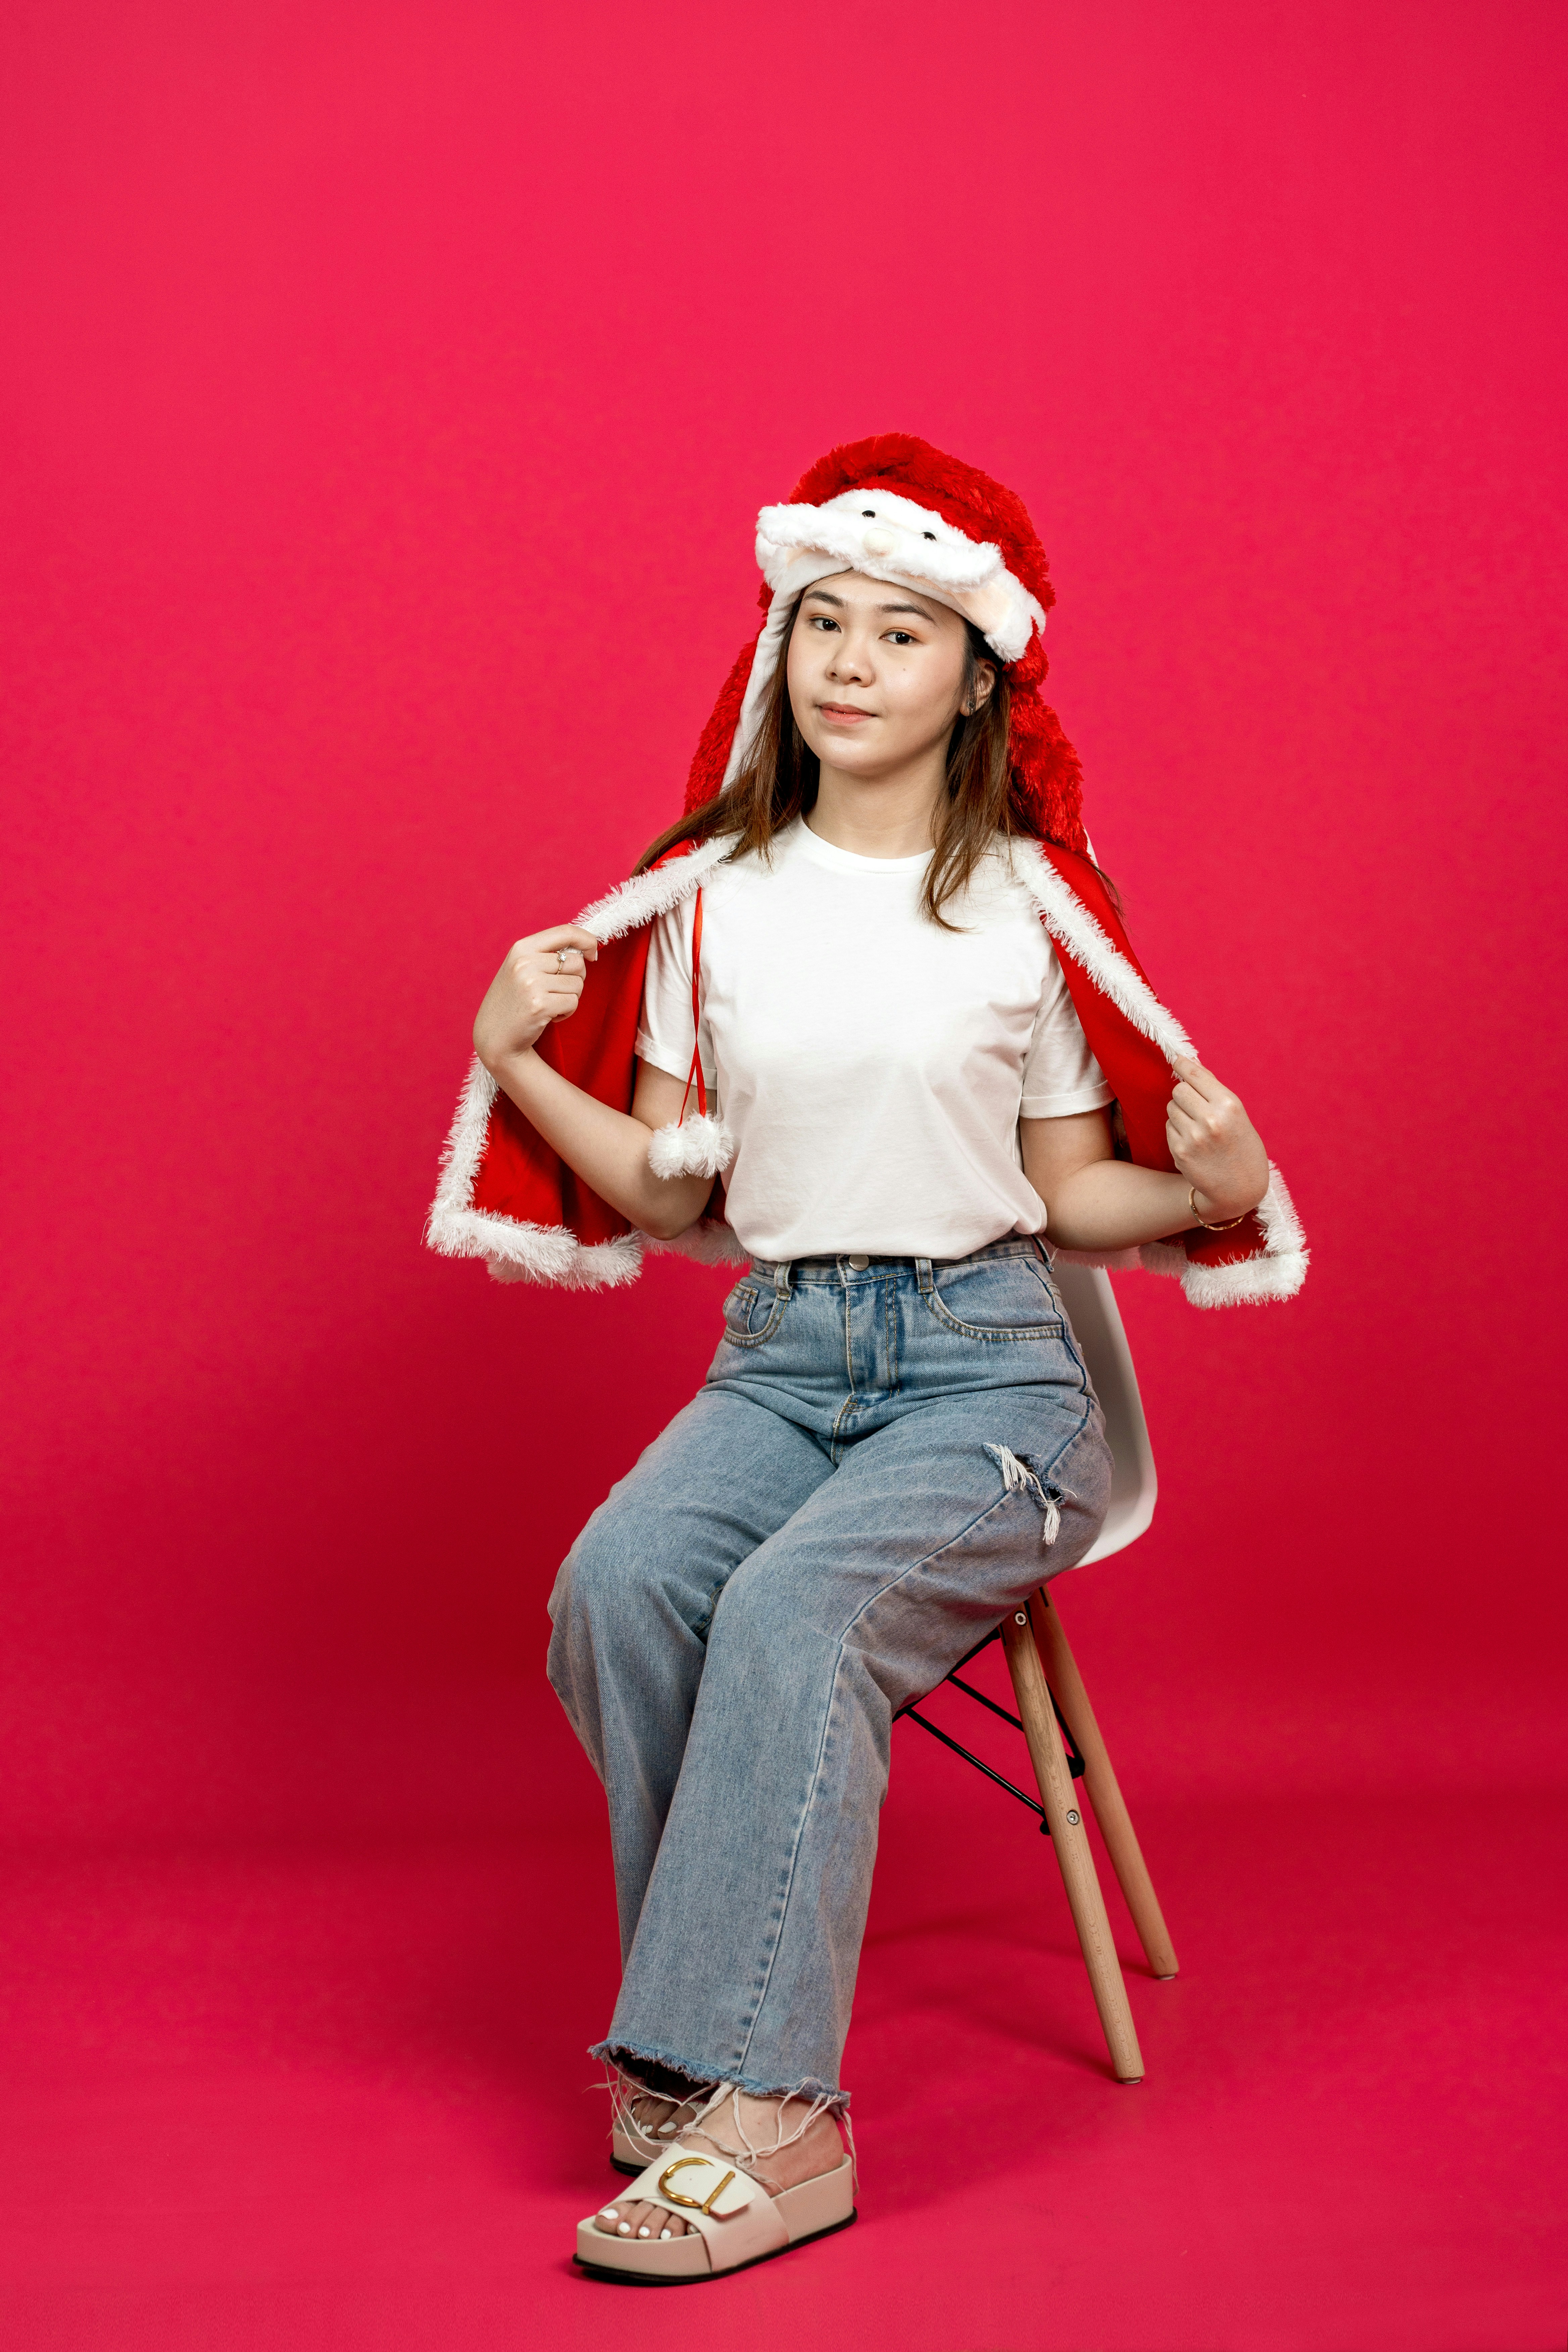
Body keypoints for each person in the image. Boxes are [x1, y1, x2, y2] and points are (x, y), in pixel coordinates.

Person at [432, 435, 1308, 2283]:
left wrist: (1213, 1184)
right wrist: (514, 1059)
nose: (846, 658)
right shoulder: (713, 902)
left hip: (993, 1374)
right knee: (622, 1587)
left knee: (799, 1614)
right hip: (781, 1352)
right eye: (818, 619)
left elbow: (1072, 1198)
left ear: (975, 671)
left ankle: (773, 2119)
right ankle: (691, 2060)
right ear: (781, 651)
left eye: (898, 631)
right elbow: (679, 1195)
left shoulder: (1029, 909)